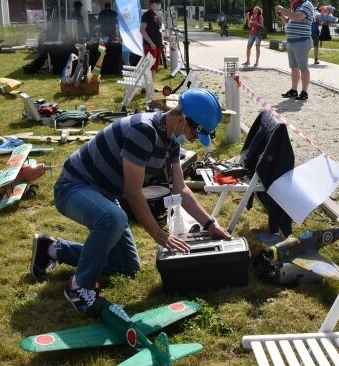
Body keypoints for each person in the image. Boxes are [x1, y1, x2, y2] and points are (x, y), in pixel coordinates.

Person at [29, 88, 233, 317]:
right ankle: (79, 287)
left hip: (103, 194)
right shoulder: (143, 132)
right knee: (113, 219)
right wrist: (158, 234)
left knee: (126, 266)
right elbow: (133, 193)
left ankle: (51, 249)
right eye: (194, 134)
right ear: (180, 119)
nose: (193, 140)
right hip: (72, 187)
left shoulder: (170, 139)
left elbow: (181, 189)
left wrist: (210, 224)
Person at [275, 0, 314, 101]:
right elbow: (288, 21)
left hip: (302, 41)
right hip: (291, 42)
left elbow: (297, 17)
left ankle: (304, 92)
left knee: (303, 67)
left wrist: (283, 9)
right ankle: (294, 90)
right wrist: (281, 15)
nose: (291, 0)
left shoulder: (306, 5)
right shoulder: (295, 7)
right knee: (294, 68)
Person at [140, 0, 164, 76]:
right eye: (156, 3)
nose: (158, 5)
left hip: (158, 44)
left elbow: (159, 29)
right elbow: (142, 30)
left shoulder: (158, 14)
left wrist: (162, 41)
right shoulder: (146, 15)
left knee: (155, 67)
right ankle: (147, 87)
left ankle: (151, 86)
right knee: (149, 67)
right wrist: (151, 42)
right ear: (151, 3)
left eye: (159, 3)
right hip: (150, 45)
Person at [310, 0, 321, 65]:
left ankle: (316, 59)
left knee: (316, 46)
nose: (317, 4)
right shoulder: (309, 11)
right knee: (307, 45)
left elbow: (319, 21)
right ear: (313, 3)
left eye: (317, 3)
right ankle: (303, 59)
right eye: (316, 3)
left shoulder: (317, 12)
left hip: (316, 31)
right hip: (309, 31)